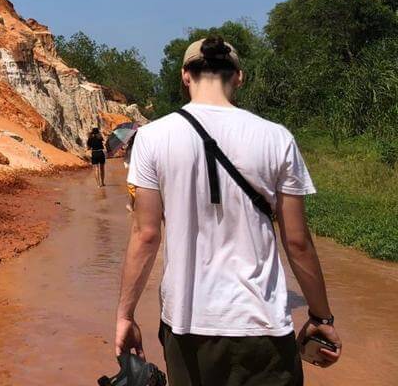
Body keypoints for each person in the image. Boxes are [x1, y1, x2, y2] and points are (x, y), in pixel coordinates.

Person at [114, 36, 341, 385]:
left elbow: (146, 235)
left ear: (185, 76)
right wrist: (321, 319)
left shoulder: (152, 137)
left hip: (187, 325)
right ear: (238, 77)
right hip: (264, 326)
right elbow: (297, 241)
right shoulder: (277, 138)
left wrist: (125, 315)